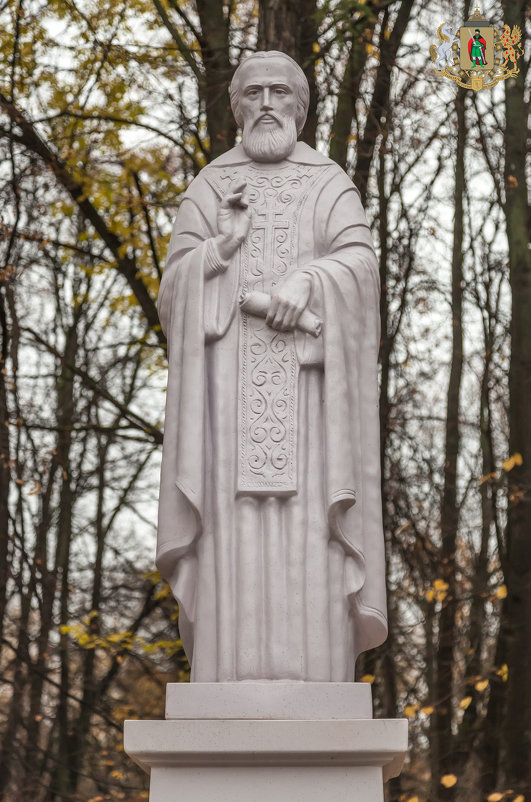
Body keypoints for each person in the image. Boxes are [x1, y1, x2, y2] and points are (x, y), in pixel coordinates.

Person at [156, 51, 387, 682]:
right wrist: (219, 250)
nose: (265, 103)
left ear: (299, 107)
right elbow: (173, 290)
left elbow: (362, 271)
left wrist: (310, 282)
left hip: (313, 418)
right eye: (252, 92)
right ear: (235, 107)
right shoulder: (209, 186)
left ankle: (317, 677)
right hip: (227, 416)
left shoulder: (328, 182)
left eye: (279, 92)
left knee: (310, 542)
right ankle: (226, 674)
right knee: (234, 548)